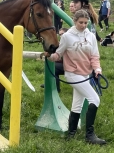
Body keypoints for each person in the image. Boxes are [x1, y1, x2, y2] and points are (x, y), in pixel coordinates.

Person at [45, 9, 106, 145]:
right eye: (81, 22)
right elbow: (58, 54)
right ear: (74, 21)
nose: (83, 25)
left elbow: (94, 56)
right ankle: (89, 135)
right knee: (94, 99)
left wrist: (97, 69)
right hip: (72, 74)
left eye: (85, 22)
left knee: (77, 105)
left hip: (86, 74)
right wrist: (50, 56)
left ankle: (71, 134)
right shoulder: (67, 37)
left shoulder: (90, 36)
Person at [40, 27, 69, 92]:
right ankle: (50, 84)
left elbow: (63, 57)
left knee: (54, 67)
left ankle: (56, 88)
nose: (61, 36)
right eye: (60, 34)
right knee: (51, 64)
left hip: (70, 65)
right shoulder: (60, 43)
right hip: (64, 64)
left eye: (62, 34)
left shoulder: (68, 43)